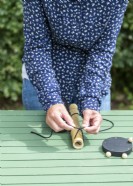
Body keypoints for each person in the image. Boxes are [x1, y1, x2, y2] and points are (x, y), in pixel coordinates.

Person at [22, 0, 128, 133]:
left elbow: (102, 50)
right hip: (42, 82)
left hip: (93, 83)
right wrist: (51, 100)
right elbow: (37, 48)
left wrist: (91, 101)